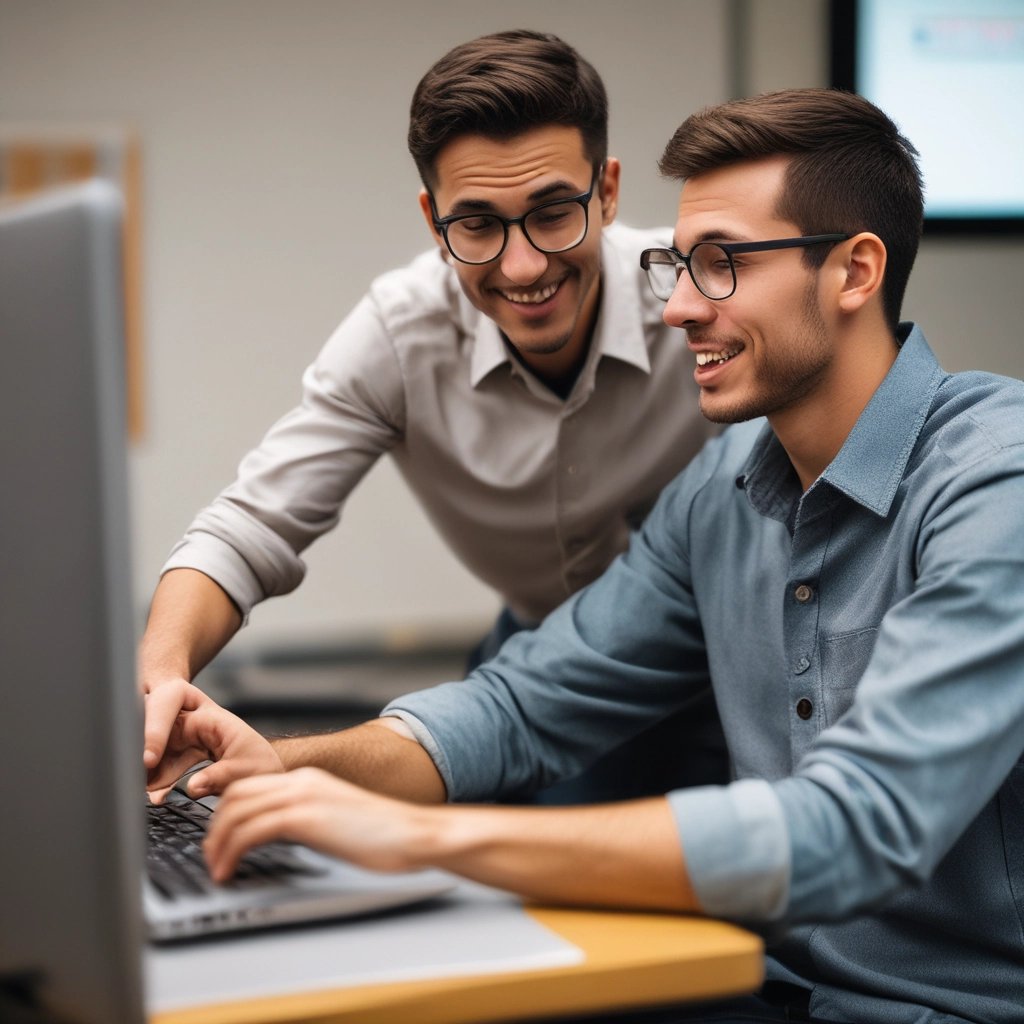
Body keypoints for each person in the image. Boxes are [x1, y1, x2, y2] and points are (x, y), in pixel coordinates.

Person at [147, 86, 1024, 1024]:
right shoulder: (722, 487)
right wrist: (291, 768)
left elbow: (861, 826)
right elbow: (521, 705)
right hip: (762, 986)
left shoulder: (993, 484)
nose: (681, 306)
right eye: (677, 266)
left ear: (855, 272)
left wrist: (422, 839)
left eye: (722, 264)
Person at [139, 29, 725, 805]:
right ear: (432, 219)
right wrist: (162, 677)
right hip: (536, 650)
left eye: (554, 212)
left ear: (608, 192)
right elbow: (250, 528)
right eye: (477, 224)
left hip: (723, 651)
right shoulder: (401, 333)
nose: (523, 266)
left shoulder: (698, 299)